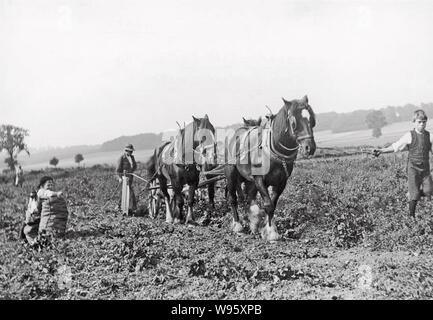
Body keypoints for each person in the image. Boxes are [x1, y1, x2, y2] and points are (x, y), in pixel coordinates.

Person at [373, 109, 433, 218]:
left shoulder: (430, 136)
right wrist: (382, 150)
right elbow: (396, 146)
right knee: (414, 194)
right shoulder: (409, 135)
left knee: (429, 191)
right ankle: (411, 217)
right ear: (414, 122)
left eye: (424, 122)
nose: (422, 124)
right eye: (419, 122)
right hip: (413, 169)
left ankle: (412, 193)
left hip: (425, 169)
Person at [116, 143, 137, 214]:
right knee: (124, 193)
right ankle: (120, 206)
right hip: (124, 178)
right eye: (130, 151)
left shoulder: (132, 157)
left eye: (131, 151)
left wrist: (131, 171)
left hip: (130, 178)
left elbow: (135, 166)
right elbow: (118, 170)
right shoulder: (122, 158)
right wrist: (119, 177)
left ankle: (130, 208)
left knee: (130, 192)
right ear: (126, 151)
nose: (131, 152)